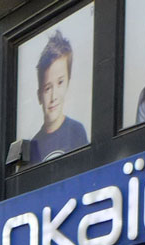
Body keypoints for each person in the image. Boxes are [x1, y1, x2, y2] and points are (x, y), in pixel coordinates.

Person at [31, 29, 89, 161]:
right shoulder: (34, 145)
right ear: (39, 96)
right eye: (47, 88)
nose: (53, 97)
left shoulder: (76, 131)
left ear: (68, 82)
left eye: (60, 83)